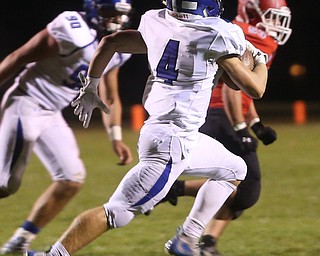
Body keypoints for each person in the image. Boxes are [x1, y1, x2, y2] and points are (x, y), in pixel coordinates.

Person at [24, 0, 268, 255]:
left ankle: (186, 239)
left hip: (172, 134)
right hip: (172, 144)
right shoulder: (217, 34)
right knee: (117, 212)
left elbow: (111, 42)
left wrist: (91, 84)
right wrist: (259, 59)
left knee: (234, 168)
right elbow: (255, 88)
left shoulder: (158, 22)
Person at [0, 0, 133, 254]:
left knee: (71, 179)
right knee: (5, 184)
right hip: (26, 101)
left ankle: (21, 240)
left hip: (52, 113)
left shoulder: (117, 45)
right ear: (95, 8)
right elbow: (19, 57)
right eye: (109, 12)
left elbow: (110, 96)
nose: (115, 19)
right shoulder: (73, 28)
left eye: (119, 14)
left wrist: (115, 137)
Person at [160, 0, 292, 254]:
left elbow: (244, 95)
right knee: (247, 187)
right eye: (272, 16)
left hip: (211, 112)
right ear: (254, 11)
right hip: (223, 115)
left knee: (233, 188)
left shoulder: (230, 27)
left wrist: (256, 124)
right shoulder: (256, 36)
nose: (277, 24)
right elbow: (239, 88)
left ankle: (207, 243)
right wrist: (242, 129)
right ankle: (175, 193)